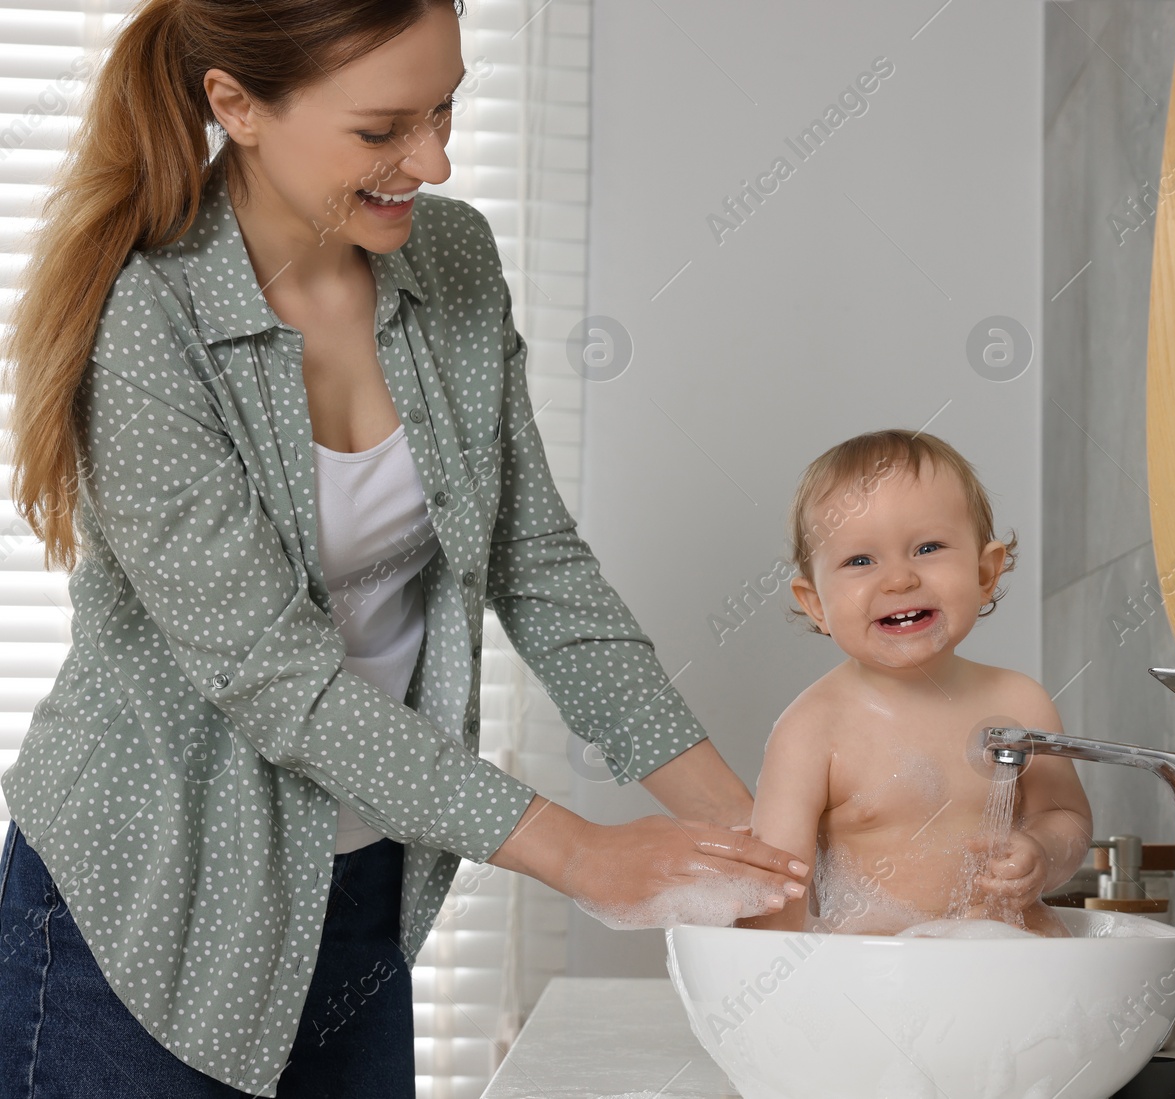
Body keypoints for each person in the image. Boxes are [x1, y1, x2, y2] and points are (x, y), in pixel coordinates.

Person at [0, 1, 808, 1095]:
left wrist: (762, 839)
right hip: (144, 903)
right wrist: (580, 854)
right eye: (383, 130)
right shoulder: (147, 319)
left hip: (361, 894)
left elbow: (539, 569)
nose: (429, 159)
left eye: (445, 108)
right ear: (235, 106)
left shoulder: (455, 261)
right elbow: (278, 680)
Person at [736, 430, 1093, 938]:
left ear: (984, 572)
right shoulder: (813, 729)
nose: (899, 579)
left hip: (1013, 967)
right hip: (880, 982)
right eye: (860, 560)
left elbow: (1067, 817)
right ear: (816, 604)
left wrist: (1043, 853)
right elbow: (777, 892)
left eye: (928, 548)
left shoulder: (1020, 702)